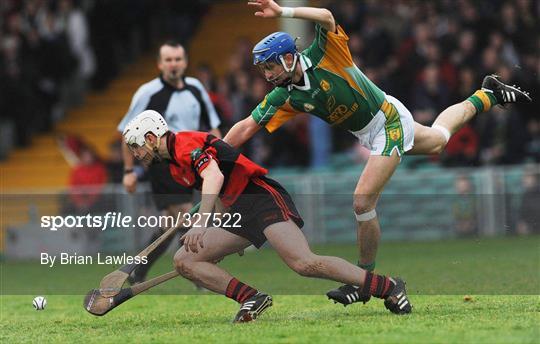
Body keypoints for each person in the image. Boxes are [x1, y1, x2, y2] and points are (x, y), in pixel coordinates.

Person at [222, 0, 532, 306]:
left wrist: (283, 12)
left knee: (362, 199)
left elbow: (327, 17)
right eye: (263, 68)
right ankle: (487, 94)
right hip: (370, 133)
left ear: (289, 58)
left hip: (388, 121)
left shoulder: (324, 54)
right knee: (438, 140)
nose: (266, 73)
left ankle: (363, 281)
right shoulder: (283, 96)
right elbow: (247, 126)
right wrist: (215, 153)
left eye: (270, 65)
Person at [122, 110, 412, 322]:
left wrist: (200, 224)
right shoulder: (173, 165)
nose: (135, 153)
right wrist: (217, 230)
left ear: (150, 137)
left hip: (261, 199)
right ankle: (251, 298)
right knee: (185, 260)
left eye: (136, 146)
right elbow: (221, 186)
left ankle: (388, 287)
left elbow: (213, 177)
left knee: (304, 263)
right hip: (237, 210)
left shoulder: (185, 144)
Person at [117, 40, 222, 284]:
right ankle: (199, 272)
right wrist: (128, 170)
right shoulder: (147, 92)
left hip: (193, 158)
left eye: (177, 59)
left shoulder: (196, 88)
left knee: (169, 223)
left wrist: (221, 152)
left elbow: (213, 126)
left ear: (185, 62)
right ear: (160, 64)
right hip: (161, 163)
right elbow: (126, 132)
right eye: (168, 60)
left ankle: (137, 270)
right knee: (185, 214)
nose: (173, 64)